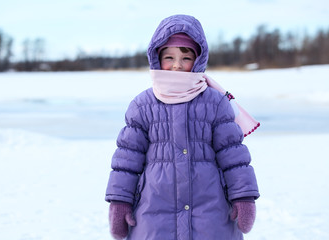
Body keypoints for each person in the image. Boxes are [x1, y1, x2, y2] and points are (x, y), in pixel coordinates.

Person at [105, 14, 260, 240]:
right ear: (157, 58)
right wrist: (120, 201)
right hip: (154, 213)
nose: (177, 65)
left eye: (186, 58)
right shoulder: (143, 105)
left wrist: (243, 196)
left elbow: (233, 157)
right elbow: (127, 160)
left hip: (210, 212)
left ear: (198, 60)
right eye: (169, 57)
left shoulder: (215, 103)